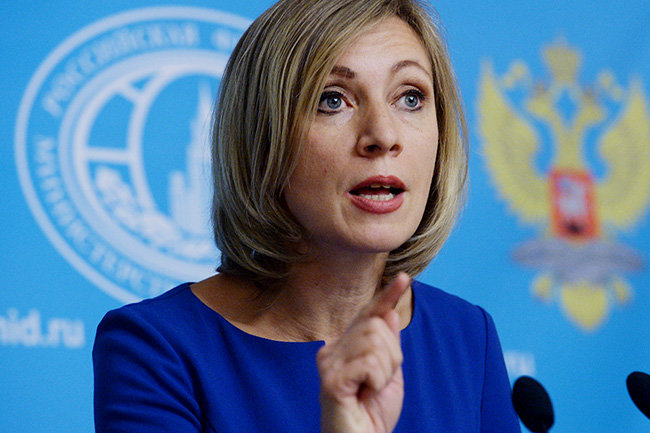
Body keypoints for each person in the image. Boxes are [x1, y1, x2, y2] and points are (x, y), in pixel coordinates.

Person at [93, 0, 521, 432]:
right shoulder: (155, 349)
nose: (383, 135)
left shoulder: (469, 337)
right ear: (262, 138)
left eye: (410, 98)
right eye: (332, 100)